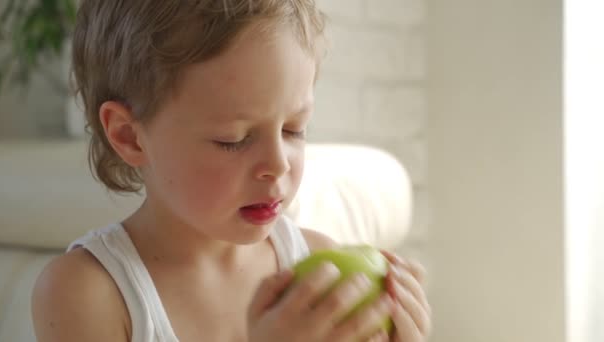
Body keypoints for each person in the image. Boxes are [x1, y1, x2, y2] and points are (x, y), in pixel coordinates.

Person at [31, 1, 431, 341]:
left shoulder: (317, 266)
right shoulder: (88, 292)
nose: (277, 164)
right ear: (129, 136)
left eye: (294, 129)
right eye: (233, 139)